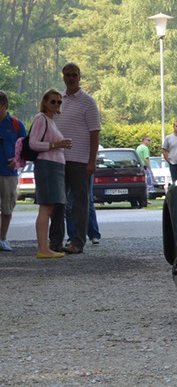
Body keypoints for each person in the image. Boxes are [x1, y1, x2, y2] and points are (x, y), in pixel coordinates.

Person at [49, 63, 102, 255]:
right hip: (58, 160)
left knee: (80, 203)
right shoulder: (57, 101)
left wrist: (91, 161)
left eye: (74, 75)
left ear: (80, 77)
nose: (71, 78)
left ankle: (77, 242)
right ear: (63, 76)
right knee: (57, 202)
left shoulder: (88, 102)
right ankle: (55, 242)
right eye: (67, 75)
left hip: (80, 161)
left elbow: (95, 133)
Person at [27, 89, 72, 258]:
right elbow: (33, 143)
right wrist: (55, 145)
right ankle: (43, 248)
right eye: (52, 101)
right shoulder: (41, 119)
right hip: (47, 166)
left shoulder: (51, 121)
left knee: (50, 206)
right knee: (46, 207)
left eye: (59, 102)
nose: (56, 104)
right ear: (45, 102)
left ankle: (45, 247)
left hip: (55, 167)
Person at [0, 91, 27, 251]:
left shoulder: (16, 124)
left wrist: (18, 160)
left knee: (7, 208)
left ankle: (2, 239)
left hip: (8, 175)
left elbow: (27, 147)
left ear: (4, 105)